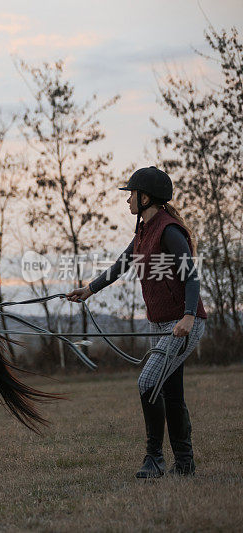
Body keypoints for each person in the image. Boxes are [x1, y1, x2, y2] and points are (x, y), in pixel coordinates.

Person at [64, 166, 207, 479]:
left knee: (148, 383)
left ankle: (154, 458)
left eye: (131, 194)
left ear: (146, 197)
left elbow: (191, 276)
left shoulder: (169, 230)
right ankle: (184, 463)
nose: (128, 200)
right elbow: (121, 265)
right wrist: (89, 290)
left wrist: (188, 315)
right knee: (170, 391)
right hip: (159, 323)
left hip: (184, 323)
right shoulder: (144, 230)